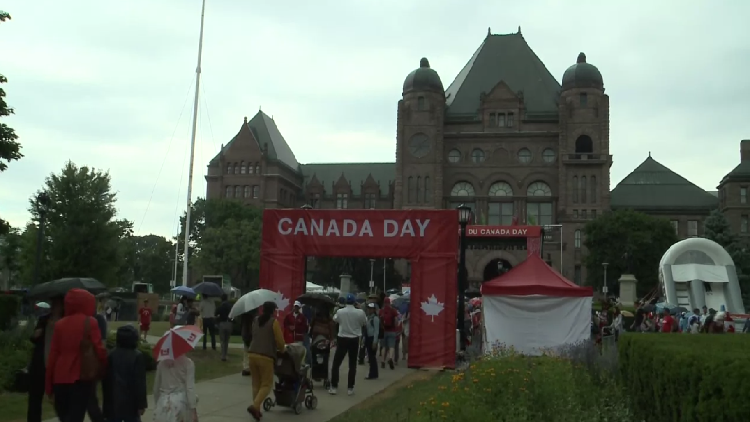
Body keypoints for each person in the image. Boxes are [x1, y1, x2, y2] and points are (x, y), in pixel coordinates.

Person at [46, 288, 108, 422]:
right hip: (80, 378)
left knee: (64, 417)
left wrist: (49, 386)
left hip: (59, 378)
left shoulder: (59, 325)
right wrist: (103, 366)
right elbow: (99, 349)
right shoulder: (90, 322)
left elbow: (53, 356)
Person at [247, 301, 286, 421]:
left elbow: (254, 335)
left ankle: (257, 410)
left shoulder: (255, 320)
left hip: (252, 354)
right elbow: (280, 342)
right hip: (266, 356)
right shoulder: (273, 322)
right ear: (273, 311)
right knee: (266, 384)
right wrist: (282, 349)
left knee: (256, 384)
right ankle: (255, 406)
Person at [27, 296, 64, 422]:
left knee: (57, 400)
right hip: (40, 363)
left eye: (57, 304)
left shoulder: (65, 321)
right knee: (34, 399)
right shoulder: (44, 319)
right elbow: (33, 339)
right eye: (53, 304)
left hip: (56, 366)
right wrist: (35, 334)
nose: (54, 307)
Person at [102, 325, 147, 422]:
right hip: (131, 403)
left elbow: (106, 382)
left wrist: (105, 406)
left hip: (113, 401)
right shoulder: (137, 356)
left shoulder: (111, 355)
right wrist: (141, 404)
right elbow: (140, 382)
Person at [330, 293, 367, 396]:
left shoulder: (340, 311)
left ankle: (334, 387)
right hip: (354, 339)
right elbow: (364, 323)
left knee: (336, 364)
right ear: (355, 302)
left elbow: (335, 320)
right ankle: (350, 388)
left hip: (342, 338)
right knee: (352, 364)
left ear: (346, 302)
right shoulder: (360, 312)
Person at [153, 354, 197, 422]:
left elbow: (156, 387)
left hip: (163, 401)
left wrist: (157, 404)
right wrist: (193, 408)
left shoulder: (161, 363)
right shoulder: (188, 363)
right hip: (180, 402)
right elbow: (190, 388)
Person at [379, 298, 399, 370]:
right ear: (389, 302)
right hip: (392, 331)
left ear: (384, 303)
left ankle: (382, 361)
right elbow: (396, 320)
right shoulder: (393, 310)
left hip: (383, 331)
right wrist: (396, 327)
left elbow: (379, 320)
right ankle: (390, 358)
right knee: (391, 347)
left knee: (384, 347)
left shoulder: (381, 311)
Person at [364, 303, 380, 380]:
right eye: (368, 308)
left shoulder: (375, 319)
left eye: (371, 308)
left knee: (372, 357)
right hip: (368, 338)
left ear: (374, 309)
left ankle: (373, 374)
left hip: (372, 338)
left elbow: (376, 331)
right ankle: (373, 373)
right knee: (370, 357)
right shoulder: (368, 318)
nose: (369, 310)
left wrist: (375, 342)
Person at [215, 294, 233, 361]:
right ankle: (226, 353)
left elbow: (216, 314)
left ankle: (223, 355)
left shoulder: (220, 306)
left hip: (222, 323)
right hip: (229, 323)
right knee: (226, 340)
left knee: (222, 340)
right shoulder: (230, 306)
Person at [240, 309, 258, 376]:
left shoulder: (244, 315)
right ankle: (252, 367)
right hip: (252, 334)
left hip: (245, 334)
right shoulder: (254, 317)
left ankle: (246, 368)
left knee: (246, 351)